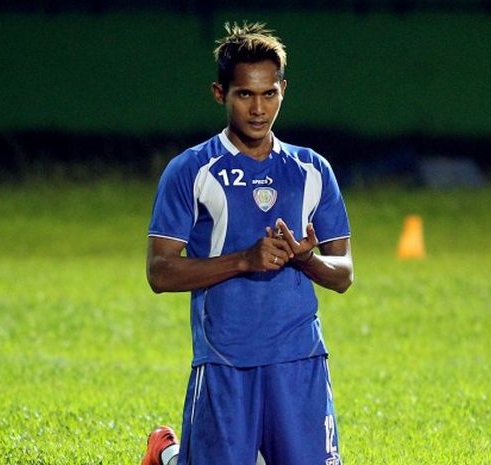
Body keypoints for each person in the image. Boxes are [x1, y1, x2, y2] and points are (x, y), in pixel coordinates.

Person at [141, 22, 353, 465]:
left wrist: (307, 261)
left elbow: (344, 274)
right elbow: (159, 272)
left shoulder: (312, 170)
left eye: (269, 94)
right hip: (224, 361)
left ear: (283, 90)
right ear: (220, 93)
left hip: (300, 359)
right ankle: (166, 454)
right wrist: (244, 260)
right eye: (244, 95)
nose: (258, 109)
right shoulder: (192, 171)